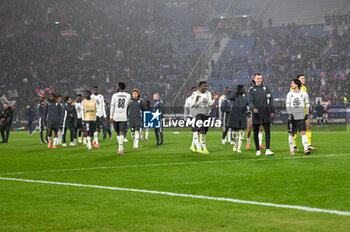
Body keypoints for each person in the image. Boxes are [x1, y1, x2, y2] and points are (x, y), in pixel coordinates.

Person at [248, 73, 275, 156]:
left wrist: (272, 111)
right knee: (255, 132)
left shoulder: (266, 88)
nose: (259, 80)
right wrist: (253, 108)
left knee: (267, 131)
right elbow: (250, 101)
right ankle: (257, 150)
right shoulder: (251, 89)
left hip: (266, 113)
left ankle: (267, 149)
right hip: (256, 114)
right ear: (254, 79)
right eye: (258, 78)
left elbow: (270, 100)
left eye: (260, 78)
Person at [191, 81, 219, 154]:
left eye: (206, 86)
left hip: (206, 115)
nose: (206, 87)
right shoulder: (195, 93)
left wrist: (214, 100)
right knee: (201, 130)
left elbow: (210, 105)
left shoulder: (208, 93)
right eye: (204, 86)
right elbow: (192, 105)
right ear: (200, 86)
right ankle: (203, 148)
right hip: (199, 114)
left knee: (204, 132)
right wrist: (196, 101)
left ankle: (200, 147)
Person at [291, 74, 317, 151]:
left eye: (304, 78)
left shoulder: (304, 88)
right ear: (298, 80)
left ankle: (309, 144)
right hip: (296, 111)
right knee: (295, 128)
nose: (304, 79)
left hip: (304, 111)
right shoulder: (293, 88)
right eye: (302, 78)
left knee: (308, 126)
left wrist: (307, 111)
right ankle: (294, 145)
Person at [286, 79, 310, 155]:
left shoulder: (304, 94)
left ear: (297, 84)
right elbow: (287, 105)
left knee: (303, 132)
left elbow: (307, 104)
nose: (291, 85)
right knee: (292, 134)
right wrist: (290, 114)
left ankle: (306, 149)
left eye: (292, 83)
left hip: (301, 117)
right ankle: (291, 150)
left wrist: (307, 114)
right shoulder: (289, 94)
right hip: (292, 117)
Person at [110, 82, 131, 154]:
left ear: (119, 87)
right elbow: (128, 105)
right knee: (122, 132)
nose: (116, 88)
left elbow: (112, 106)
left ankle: (120, 149)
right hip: (123, 115)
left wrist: (111, 116)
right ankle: (121, 148)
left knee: (118, 132)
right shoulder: (128, 95)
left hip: (116, 115)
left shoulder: (114, 95)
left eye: (117, 86)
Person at [227, 85, 248, 153]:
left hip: (242, 116)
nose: (243, 90)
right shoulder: (234, 96)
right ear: (238, 90)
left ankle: (239, 148)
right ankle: (235, 145)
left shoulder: (245, 96)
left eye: (243, 89)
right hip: (235, 115)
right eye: (241, 89)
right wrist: (235, 91)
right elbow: (229, 97)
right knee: (234, 133)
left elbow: (248, 103)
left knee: (242, 132)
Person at [184, 87, 199, 151]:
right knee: (195, 132)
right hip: (192, 117)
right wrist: (185, 119)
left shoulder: (200, 99)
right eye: (194, 91)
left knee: (197, 133)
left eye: (196, 91)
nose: (195, 92)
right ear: (191, 92)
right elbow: (185, 110)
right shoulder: (188, 99)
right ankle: (198, 148)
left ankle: (192, 146)